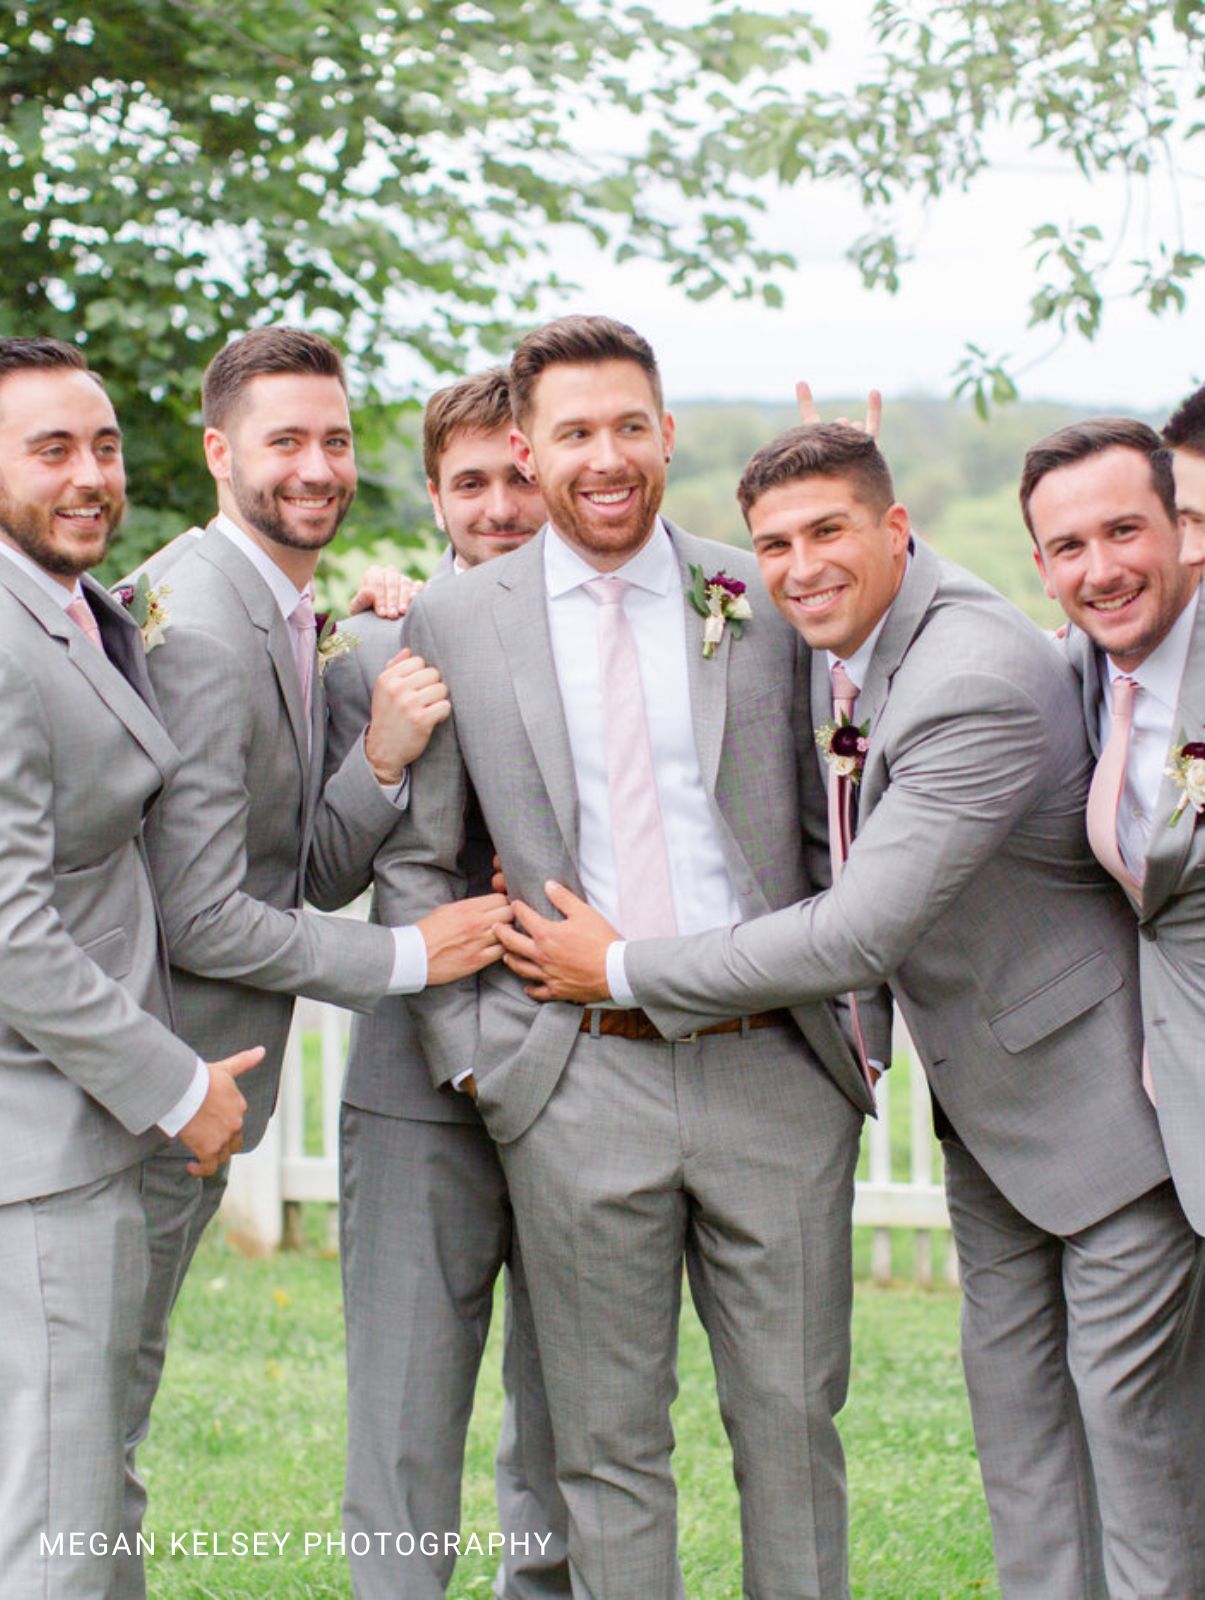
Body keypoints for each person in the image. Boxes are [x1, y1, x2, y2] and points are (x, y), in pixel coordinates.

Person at [501, 421, 1205, 1599]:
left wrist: (622, 966)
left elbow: (858, 928)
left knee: (1135, 1466)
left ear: (895, 528)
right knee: (1021, 1450)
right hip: (991, 1118)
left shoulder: (966, 674)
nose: (795, 565)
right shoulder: (883, 640)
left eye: (827, 529)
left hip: (1107, 1113)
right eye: (772, 542)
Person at [374, 316, 874, 1600]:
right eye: (575, 432)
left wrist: (851, 1036)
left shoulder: (756, 595)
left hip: (773, 1074)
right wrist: (484, 1064)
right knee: (601, 1452)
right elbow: (423, 860)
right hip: (571, 1084)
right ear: (524, 449)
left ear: (665, 434)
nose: (607, 457)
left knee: (790, 1434)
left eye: (629, 426)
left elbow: (842, 835)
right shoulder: (457, 614)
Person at [117, 326, 515, 1595]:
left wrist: (381, 758)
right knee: (80, 1431)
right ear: (219, 449)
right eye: (284, 440)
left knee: (100, 1415)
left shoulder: (297, 618)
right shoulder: (202, 628)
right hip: (150, 1078)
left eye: (334, 439)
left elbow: (299, 865)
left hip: (202, 1080)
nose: (316, 466)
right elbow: (205, 916)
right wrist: (409, 954)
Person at [0, 336, 258, 1597]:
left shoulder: (69, 606)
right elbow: (8, 928)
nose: (91, 473)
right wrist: (175, 1085)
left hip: (72, 1136)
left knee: (86, 1491)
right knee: (57, 1518)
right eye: (51, 448)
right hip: (37, 1144)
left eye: (101, 444)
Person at [322, 367, 568, 1598]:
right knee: (404, 1421)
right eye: (470, 483)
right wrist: (379, 740)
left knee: (570, 1420)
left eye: (519, 475)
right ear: (433, 499)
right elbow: (317, 863)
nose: (501, 506)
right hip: (415, 1084)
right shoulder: (372, 641)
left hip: (592, 1075)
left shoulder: (623, 633)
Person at [1021, 414, 1205, 1234]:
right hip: (1167, 1115)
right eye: (1068, 547)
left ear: (1182, 529)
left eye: (1124, 531)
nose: (1101, 570)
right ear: (1041, 568)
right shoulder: (1071, 673)